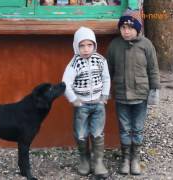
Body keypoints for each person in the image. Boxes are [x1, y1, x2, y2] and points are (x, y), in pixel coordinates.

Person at [106, 9, 160, 175]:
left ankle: (135, 158)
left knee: (137, 128)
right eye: (123, 27)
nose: (126, 31)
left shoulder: (146, 45)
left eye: (130, 27)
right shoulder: (114, 45)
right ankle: (125, 158)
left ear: (138, 28)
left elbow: (153, 69)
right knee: (124, 128)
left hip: (141, 95)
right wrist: (106, 90)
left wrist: (154, 90)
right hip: (121, 95)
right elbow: (108, 70)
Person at [62, 26, 111, 178]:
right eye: (82, 45)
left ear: (94, 45)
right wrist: (74, 100)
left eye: (89, 45)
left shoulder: (100, 60)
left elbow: (106, 78)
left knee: (97, 133)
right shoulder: (74, 63)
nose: (86, 49)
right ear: (76, 46)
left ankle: (98, 161)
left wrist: (104, 96)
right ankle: (84, 160)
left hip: (98, 104)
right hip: (81, 105)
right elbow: (65, 83)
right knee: (81, 133)